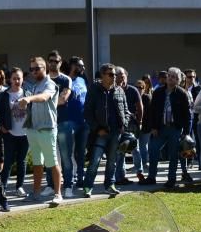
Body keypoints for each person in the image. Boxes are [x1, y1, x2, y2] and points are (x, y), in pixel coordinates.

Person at [19, 56, 62, 205]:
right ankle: (36, 193)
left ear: (46, 69)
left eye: (37, 68)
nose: (34, 71)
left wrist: (29, 99)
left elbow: (44, 97)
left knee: (52, 162)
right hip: (33, 129)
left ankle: (58, 194)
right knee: (37, 163)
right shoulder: (34, 85)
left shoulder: (50, 84)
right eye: (31, 69)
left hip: (47, 129)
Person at [82, 63, 129, 198]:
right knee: (95, 161)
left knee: (112, 161)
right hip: (100, 132)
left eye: (115, 74)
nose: (114, 77)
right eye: (111, 74)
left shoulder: (119, 90)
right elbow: (87, 112)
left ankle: (110, 185)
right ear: (102, 75)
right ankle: (88, 186)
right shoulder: (94, 90)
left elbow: (126, 111)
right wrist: (97, 128)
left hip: (116, 132)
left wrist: (123, 125)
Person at [142, 67, 190, 189]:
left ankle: (171, 179)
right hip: (160, 127)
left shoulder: (182, 94)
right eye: (169, 75)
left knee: (173, 154)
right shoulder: (158, 92)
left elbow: (187, 115)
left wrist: (186, 132)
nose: (170, 78)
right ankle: (151, 177)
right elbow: (152, 111)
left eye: (173, 76)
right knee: (153, 150)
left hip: (175, 128)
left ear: (178, 80)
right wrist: (153, 127)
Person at [0, 68, 30, 199]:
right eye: (14, 78)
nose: (17, 81)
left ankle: (19, 187)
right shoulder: (4, 95)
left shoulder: (27, 93)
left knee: (22, 161)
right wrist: (2, 126)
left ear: (23, 80)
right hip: (9, 133)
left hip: (25, 134)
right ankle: (2, 187)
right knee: (8, 161)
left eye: (19, 78)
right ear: (10, 79)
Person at [47, 51, 75, 195]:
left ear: (60, 62)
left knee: (65, 156)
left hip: (63, 122)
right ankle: (50, 185)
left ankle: (68, 185)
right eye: (50, 60)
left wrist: (45, 101)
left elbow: (63, 98)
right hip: (48, 123)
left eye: (56, 61)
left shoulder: (66, 80)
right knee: (49, 156)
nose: (53, 63)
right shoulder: (44, 80)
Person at [62, 56, 89, 195]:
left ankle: (80, 178)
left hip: (83, 122)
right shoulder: (64, 80)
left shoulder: (83, 80)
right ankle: (69, 180)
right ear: (73, 66)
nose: (83, 68)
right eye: (80, 66)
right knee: (68, 153)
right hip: (69, 122)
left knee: (81, 153)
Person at [134, 77, 152, 181]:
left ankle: (144, 163)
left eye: (141, 87)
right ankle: (139, 165)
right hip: (135, 127)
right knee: (135, 148)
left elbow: (150, 115)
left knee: (143, 147)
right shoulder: (133, 97)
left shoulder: (147, 98)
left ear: (144, 88)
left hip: (146, 127)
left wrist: (149, 128)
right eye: (137, 87)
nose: (139, 89)